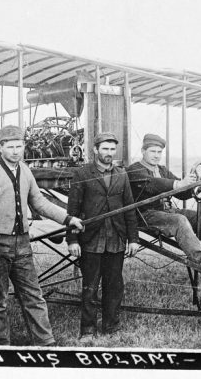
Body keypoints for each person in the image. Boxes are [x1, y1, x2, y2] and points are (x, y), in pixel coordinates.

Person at [0, 125, 83, 346]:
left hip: (22, 243)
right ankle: (1, 346)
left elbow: (40, 202)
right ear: (0, 147)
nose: (15, 151)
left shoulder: (25, 170)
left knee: (33, 295)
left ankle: (46, 342)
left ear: (24, 146)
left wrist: (68, 219)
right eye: (10, 146)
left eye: (19, 146)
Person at [126, 133, 201, 271]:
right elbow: (153, 184)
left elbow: (181, 193)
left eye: (159, 152)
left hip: (167, 212)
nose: (156, 155)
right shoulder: (134, 170)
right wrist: (179, 183)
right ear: (143, 151)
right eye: (152, 151)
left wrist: (198, 186)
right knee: (179, 220)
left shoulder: (162, 170)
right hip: (146, 215)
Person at [66, 132, 139, 343]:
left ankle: (111, 326)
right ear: (95, 150)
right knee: (90, 286)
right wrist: (72, 240)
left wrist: (133, 238)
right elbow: (73, 209)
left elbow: (130, 209)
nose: (109, 153)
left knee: (114, 285)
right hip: (92, 239)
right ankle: (87, 330)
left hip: (116, 238)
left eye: (112, 149)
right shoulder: (82, 174)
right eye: (105, 149)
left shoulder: (121, 174)